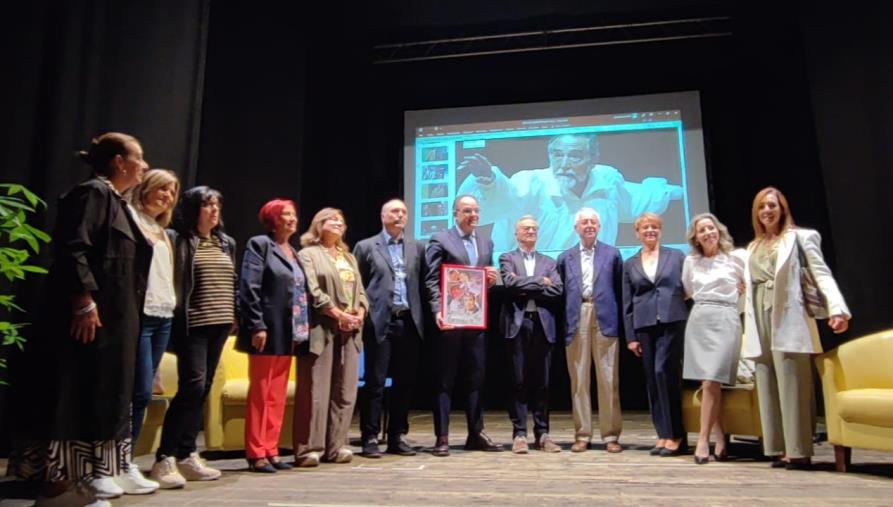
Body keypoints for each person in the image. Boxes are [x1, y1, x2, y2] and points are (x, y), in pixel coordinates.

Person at [27, 132, 151, 506]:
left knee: (105, 392)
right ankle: (65, 483)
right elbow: (73, 248)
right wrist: (83, 300)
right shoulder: (93, 193)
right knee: (80, 391)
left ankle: (92, 476)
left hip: (116, 317)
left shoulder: (118, 201)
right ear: (119, 161)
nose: (144, 166)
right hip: (93, 317)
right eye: (139, 158)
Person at [742, 187, 850, 470]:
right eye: (762, 207)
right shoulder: (753, 247)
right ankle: (777, 448)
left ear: (782, 209)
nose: (767, 210)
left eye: (772, 205)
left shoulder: (801, 238)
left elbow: (821, 273)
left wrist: (836, 309)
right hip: (760, 316)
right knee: (766, 380)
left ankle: (799, 450)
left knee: (793, 381)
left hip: (788, 316)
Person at [457, 133, 684, 253]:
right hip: (538, 283)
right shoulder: (531, 183)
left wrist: (675, 191)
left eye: (575, 156)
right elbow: (503, 196)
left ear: (593, 159)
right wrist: (487, 179)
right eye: (557, 155)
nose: (564, 164)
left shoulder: (606, 181)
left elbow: (638, 198)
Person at [151, 186, 237, 488]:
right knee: (192, 387)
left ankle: (187, 454)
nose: (214, 210)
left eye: (217, 204)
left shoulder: (225, 243)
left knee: (202, 389)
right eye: (207, 205)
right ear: (193, 209)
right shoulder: (180, 241)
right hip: (193, 325)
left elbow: (230, 281)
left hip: (220, 323)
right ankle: (164, 457)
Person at [425, 195, 502, 457]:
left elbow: (481, 279)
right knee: (444, 379)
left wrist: (490, 280)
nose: (473, 215)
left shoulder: (486, 241)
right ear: (455, 213)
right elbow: (431, 279)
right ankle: (442, 436)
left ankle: (475, 433)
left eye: (476, 211)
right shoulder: (440, 239)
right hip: (449, 321)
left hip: (475, 320)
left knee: (476, 378)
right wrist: (437, 310)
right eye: (467, 211)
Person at [294, 208, 368, 466]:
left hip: (351, 329)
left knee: (345, 391)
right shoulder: (307, 255)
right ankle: (309, 448)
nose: (339, 223)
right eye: (332, 219)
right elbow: (311, 290)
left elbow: (360, 291)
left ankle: (337, 446)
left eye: (342, 221)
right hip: (322, 329)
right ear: (318, 224)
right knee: (316, 390)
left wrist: (358, 312)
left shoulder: (348, 257)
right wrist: (338, 314)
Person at [237, 199, 307, 473]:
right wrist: (257, 325)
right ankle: (256, 452)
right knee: (261, 392)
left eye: (293, 215)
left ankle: (271, 448)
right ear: (272, 219)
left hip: (289, 330)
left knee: (277, 393)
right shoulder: (260, 244)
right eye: (285, 215)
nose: (292, 219)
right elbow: (249, 286)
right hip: (266, 329)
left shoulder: (293, 251)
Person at [353, 199, 426, 458]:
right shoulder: (365, 246)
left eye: (404, 212)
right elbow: (357, 284)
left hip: (408, 322)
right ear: (383, 216)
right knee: (375, 381)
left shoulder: (416, 247)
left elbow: (423, 284)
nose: (400, 216)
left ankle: (396, 436)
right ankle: (370, 437)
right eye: (395, 211)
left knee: (405, 382)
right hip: (379, 321)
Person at [126, 169, 180, 492]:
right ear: (145, 189)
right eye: (161, 189)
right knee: (139, 392)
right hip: (141, 315)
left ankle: (126, 460)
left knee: (144, 393)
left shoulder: (163, 230)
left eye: (172, 192)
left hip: (164, 315)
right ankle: (122, 460)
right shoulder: (131, 220)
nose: (167, 196)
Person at [557, 208, 624, 453]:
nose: (589, 226)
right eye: (584, 222)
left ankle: (610, 435)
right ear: (576, 228)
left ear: (599, 226)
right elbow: (562, 293)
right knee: (579, 380)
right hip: (577, 317)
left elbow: (619, 290)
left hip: (605, 317)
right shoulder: (565, 258)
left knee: (608, 380)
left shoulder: (613, 254)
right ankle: (582, 434)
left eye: (593, 222)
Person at [621, 212, 689, 457]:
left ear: (660, 231)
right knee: (652, 379)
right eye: (645, 228)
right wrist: (631, 336)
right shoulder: (630, 263)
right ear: (637, 233)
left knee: (665, 374)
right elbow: (627, 302)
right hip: (644, 324)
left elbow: (688, 287)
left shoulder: (676, 256)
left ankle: (677, 435)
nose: (650, 231)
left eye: (654, 227)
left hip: (672, 321)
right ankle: (662, 434)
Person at [681, 212, 745, 464]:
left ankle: (702, 440)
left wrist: (741, 295)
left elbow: (749, 287)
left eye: (711, 228)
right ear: (695, 237)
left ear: (719, 230)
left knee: (711, 382)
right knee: (711, 383)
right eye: (702, 230)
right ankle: (720, 438)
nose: (707, 233)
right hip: (700, 319)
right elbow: (687, 291)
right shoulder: (690, 262)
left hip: (726, 318)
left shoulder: (736, 258)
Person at [499, 215, 563, 454]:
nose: (530, 231)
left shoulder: (549, 261)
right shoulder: (507, 257)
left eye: (534, 229)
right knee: (518, 381)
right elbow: (509, 284)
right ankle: (519, 434)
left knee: (543, 383)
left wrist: (525, 285)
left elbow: (557, 289)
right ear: (516, 233)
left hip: (542, 325)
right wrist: (540, 283)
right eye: (526, 228)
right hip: (517, 324)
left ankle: (542, 433)